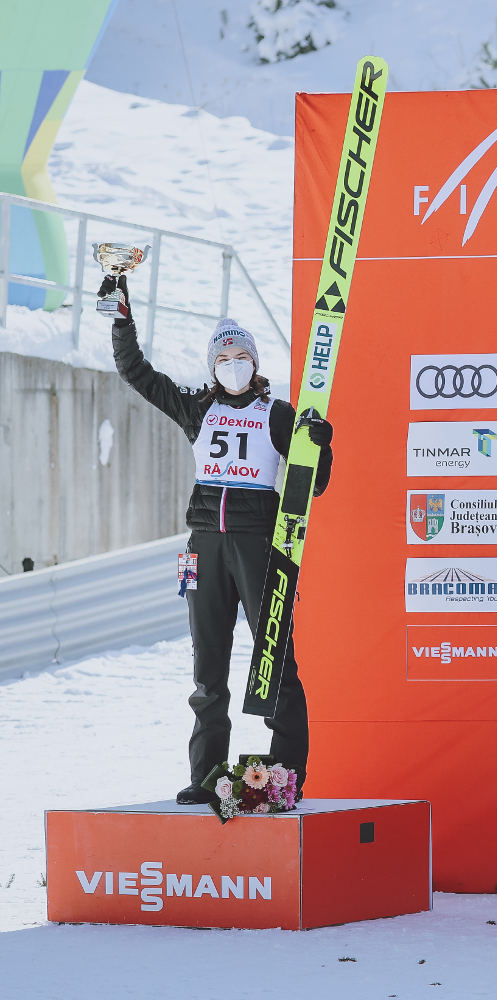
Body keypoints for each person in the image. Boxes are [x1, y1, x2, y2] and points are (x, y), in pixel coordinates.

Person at [107, 275, 334, 805]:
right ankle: (206, 775)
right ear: (213, 365)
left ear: (254, 362)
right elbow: (135, 371)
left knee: (274, 658)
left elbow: (314, 484)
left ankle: (284, 777)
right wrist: (121, 318)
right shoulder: (196, 408)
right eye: (224, 355)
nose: (233, 362)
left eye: (241, 354)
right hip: (205, 545)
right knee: (208, 668)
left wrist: (321, 444)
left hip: (259, 544)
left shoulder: (278, 414)